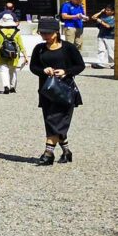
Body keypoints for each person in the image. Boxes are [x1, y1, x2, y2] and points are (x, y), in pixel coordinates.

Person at [29, 17, 84, 165]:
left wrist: (66, 71)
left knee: (55, 121)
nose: (44, 36)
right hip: (46, 91)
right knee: (50, 121)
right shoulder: (39, 48)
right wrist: (43, 70)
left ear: (56, 32)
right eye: (42, 33)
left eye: (48, 33)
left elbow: (80, 65)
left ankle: (48, 154)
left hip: (64, 91)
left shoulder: (68, 48)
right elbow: (33, 67)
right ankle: (66, 151)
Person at [0, 14, 25, 94]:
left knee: (4, 70)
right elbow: (21, 45)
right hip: (14, 55)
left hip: (2, 54)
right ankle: (12, 87)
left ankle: (6, 86)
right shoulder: (17, 33)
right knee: (12, 71)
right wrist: (25, 56)